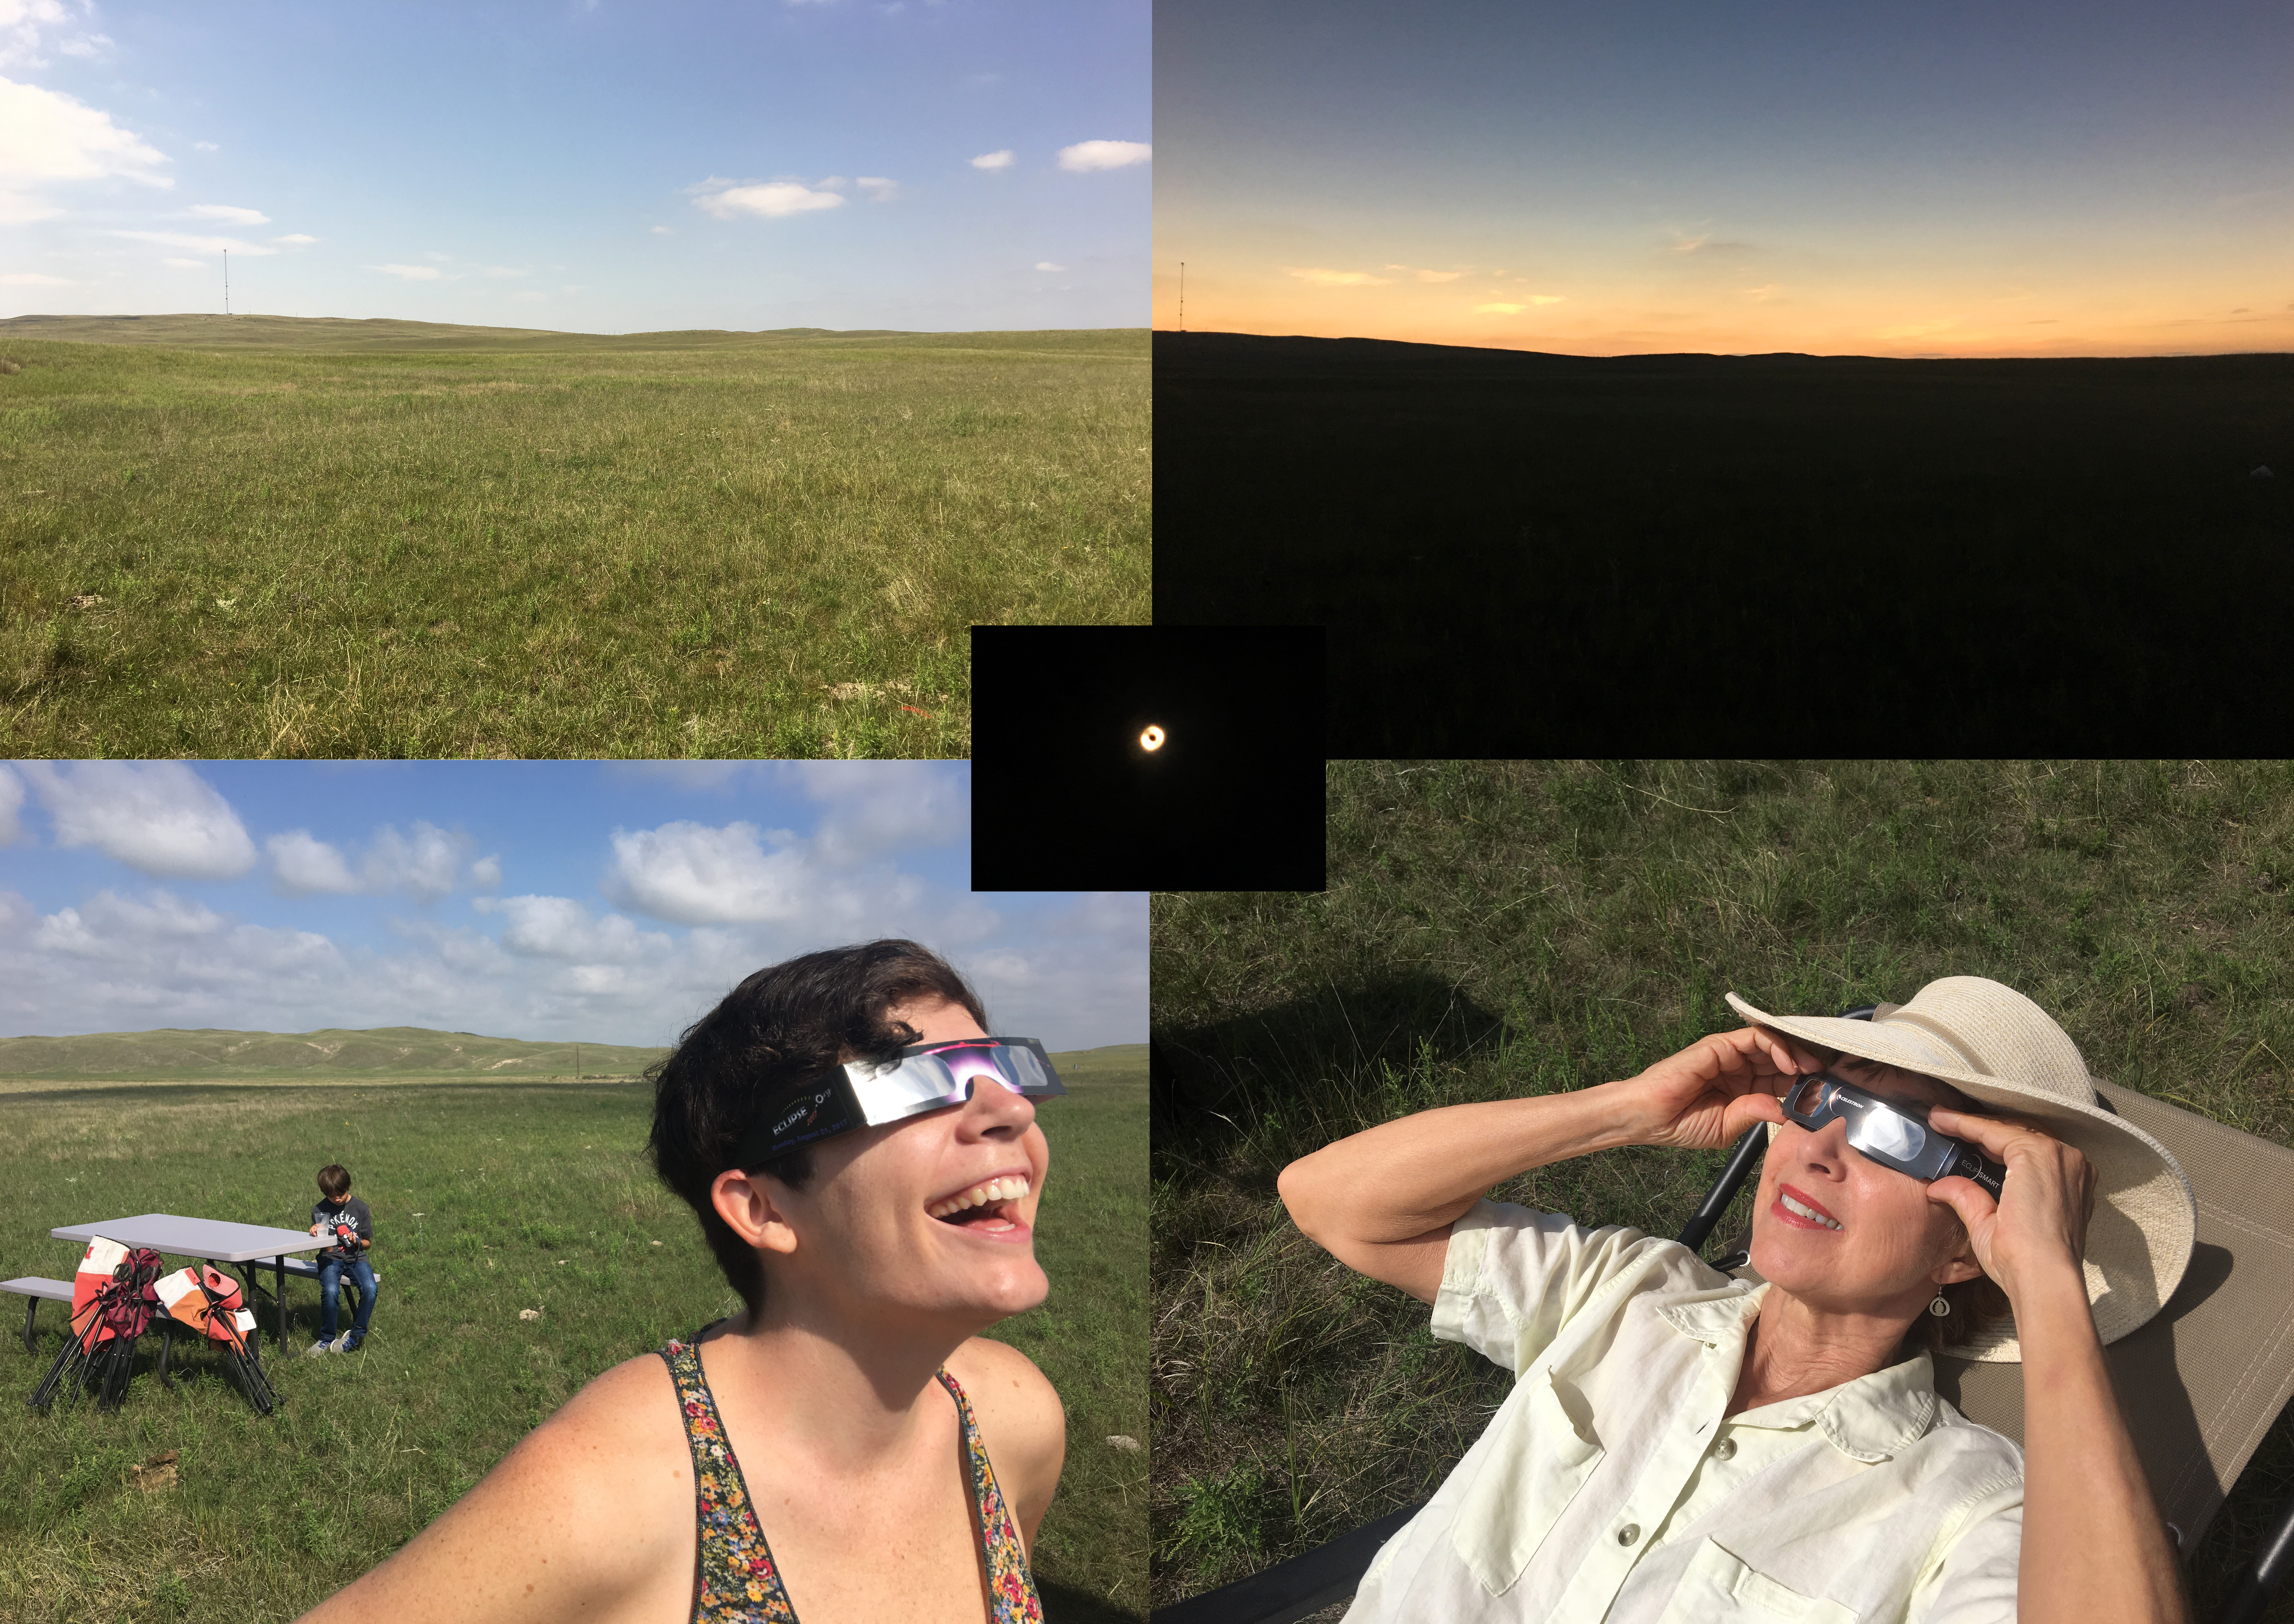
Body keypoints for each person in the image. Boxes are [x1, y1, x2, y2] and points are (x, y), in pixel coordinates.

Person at [1278, 975, 2197, 1624]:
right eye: (1818, 1096)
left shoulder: (1968, 1511)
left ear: (1968, 1241)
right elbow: (1332, 1203)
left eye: (1892, 1134)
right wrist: (1624, 1109)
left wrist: (2045, 1282)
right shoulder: (1627, 1292)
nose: (1816, 1145)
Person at [299, 939, 1067, 1624]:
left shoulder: (1014, 1422)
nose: (1009, 1110)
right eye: (913, 1085)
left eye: (1001, 1069)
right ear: (762, 1207)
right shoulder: (611, 1495)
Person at [307, 1162, 377, 1355]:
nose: (337, 1198)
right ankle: (327, 1338)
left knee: (371, 1289)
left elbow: (368, 1244)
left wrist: (357, 1241)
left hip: (356, 1257)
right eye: (332, 1195)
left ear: (349, 1186)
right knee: (330, 1291)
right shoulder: (320, 1210)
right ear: (325, 1193)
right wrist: (316, 1233)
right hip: (330, 1258)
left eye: (342, 1193)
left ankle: (356, 1335)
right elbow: (327, 1249)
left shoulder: (361, 1208)